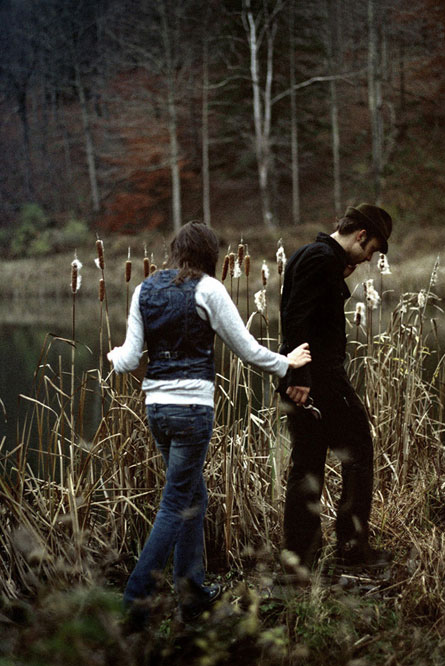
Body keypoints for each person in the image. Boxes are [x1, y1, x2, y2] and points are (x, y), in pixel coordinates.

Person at [108, 221, 311, 623]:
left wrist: (114, 356)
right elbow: (249, 351)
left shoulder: (144, 289)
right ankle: (135, 600)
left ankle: (192, 591)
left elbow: (130, 361)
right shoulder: (209, 289)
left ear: (174, 251)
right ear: (210, 256)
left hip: (157, 409)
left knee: (191, 496)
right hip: (192, 411)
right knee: (175, 502)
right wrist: (287, 363)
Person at [278, 202, 393, 572]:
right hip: (318, 376)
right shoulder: (321, 258)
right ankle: (352, 549)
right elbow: (297, 318)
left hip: (304, 374)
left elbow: (307, 309)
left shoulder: (310, 255)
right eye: (371, 249)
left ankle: (301, 557)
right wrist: (300, 376)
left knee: (307, 462)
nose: (367, 258)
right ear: (360, 235)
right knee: (358, 449)